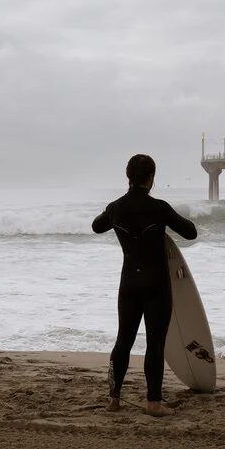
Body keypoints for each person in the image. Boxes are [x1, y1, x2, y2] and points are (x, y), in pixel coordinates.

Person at [92, 154, 198, 417]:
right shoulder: (159, 208)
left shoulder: (115, 208)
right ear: (151, 178)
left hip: (129, 284)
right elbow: (190, 232)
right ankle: (153, 403)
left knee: (124, 340)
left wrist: (113, 216)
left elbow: (97, 227)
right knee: (155, 343)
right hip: (156, 285)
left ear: (128, 177)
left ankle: (114, 399)